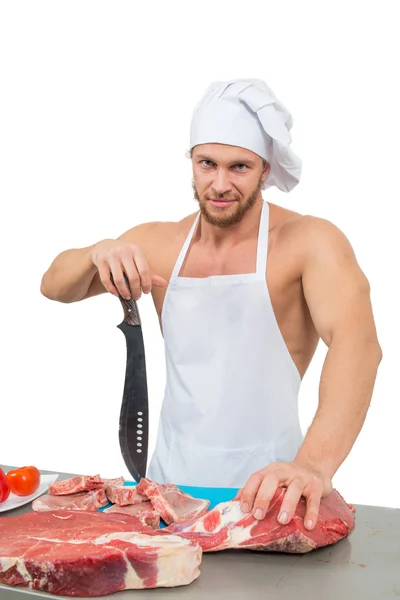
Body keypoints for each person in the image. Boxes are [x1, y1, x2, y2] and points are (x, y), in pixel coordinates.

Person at [40, 78, 382, 532]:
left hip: (270, 496)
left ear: (265, 169)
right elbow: (54, 286)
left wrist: (315, 466)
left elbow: (357, 345)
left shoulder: (309, 242)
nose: (220, 184)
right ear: (192, 162)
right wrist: (97, 251)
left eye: (239, 166)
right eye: (207, 164)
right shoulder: (161, 243)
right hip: (164, 492)